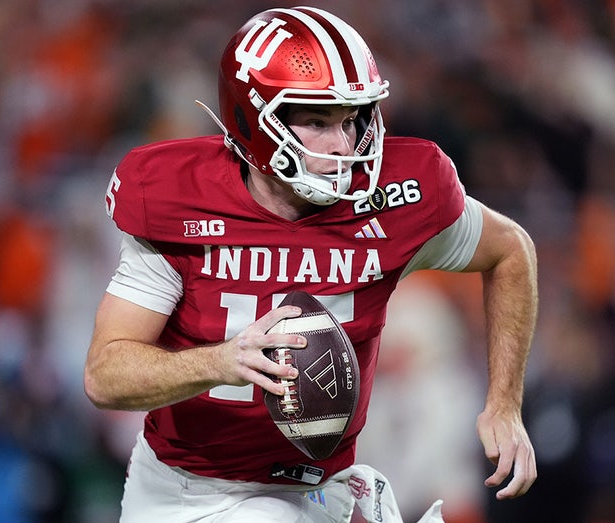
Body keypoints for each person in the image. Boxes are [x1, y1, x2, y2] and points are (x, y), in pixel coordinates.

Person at [84, 6, 538, 522]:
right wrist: (220, 361)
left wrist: (505, 403)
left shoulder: (395, 196)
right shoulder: (179, 198)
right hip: (186, 490)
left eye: (351, 120)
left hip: (319, 486)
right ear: (252, 121)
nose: (343, 145)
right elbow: (105, 375)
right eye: (318, 122)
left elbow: (510, 250)